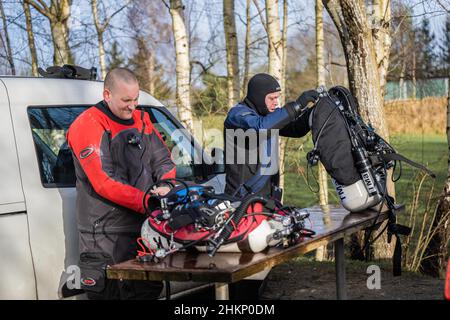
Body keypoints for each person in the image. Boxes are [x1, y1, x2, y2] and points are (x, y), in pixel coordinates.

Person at [67, 68, 176, 300]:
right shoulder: (88, 124)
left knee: (147, 293)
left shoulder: (142, 120)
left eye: (136, 99)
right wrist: (147, 201)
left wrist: (167, 184)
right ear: (107, 95)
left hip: (144, 231)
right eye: (126, 100)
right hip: (105, 237)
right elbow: (103, 181)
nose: (132, 106)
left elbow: (164, 160)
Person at [224, 73, 318, 199]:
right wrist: (297, 105)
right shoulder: (237, 115)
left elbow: (296, 129)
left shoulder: (266, 117)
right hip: (241, 201)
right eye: (271, 98)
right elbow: (261, 128)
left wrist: (317, 110)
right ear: (258, 97)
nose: (276, 103)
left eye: (277, 98)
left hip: (266, 200)